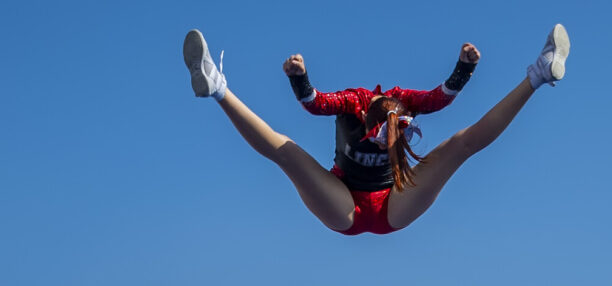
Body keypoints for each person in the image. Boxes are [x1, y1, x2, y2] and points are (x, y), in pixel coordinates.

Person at [182, 24, 570, 236]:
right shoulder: (352, 101)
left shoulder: (404, 102)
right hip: (343, 201)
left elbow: (441, 98)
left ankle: (538, 75)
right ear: (366, 119)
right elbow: (314, 103)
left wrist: (464, 68)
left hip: (393, 202)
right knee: (286, 152)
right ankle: (216, 87)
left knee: (461, 144)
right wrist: (300, 78)